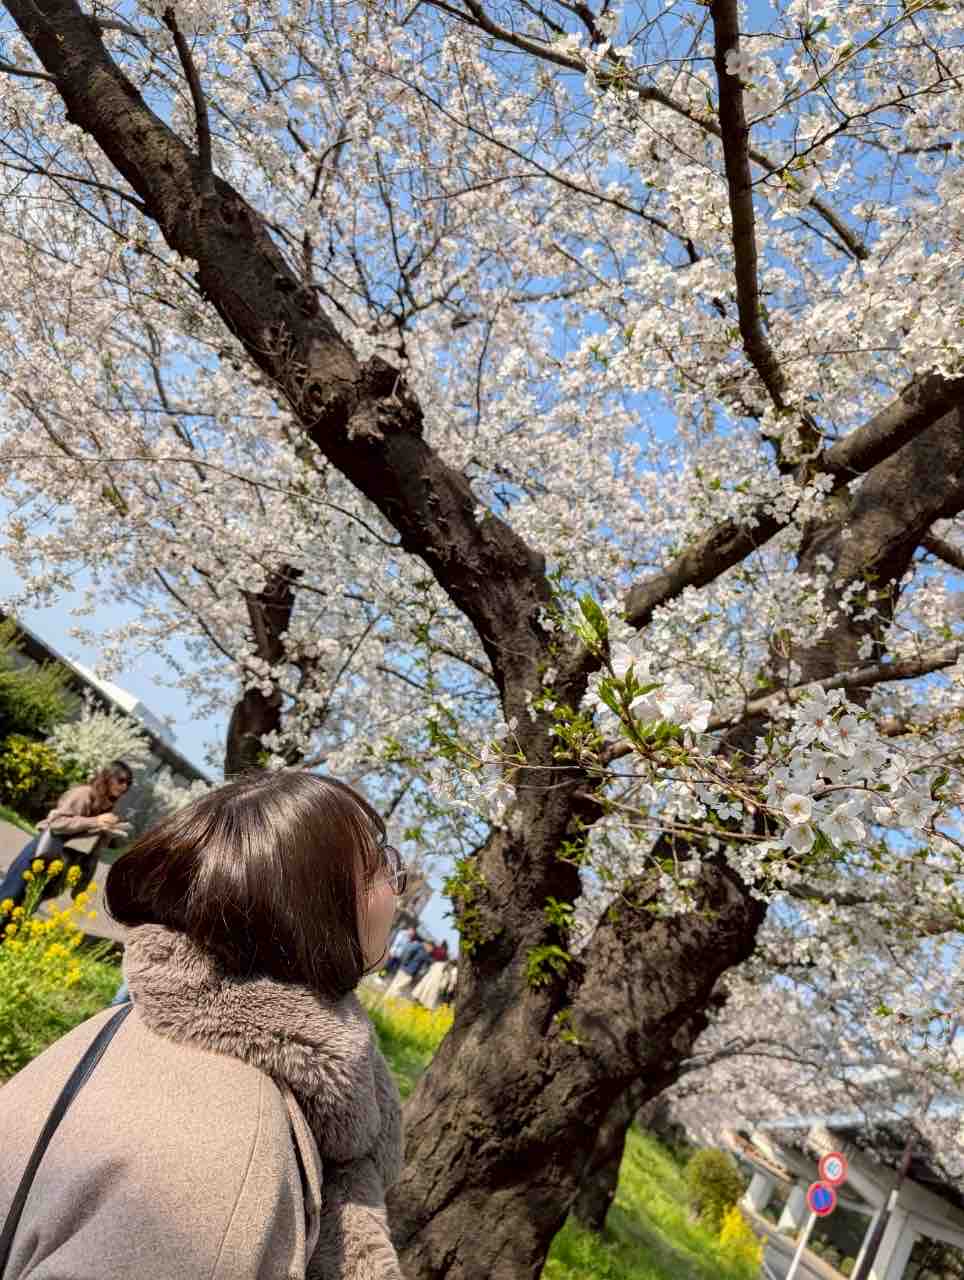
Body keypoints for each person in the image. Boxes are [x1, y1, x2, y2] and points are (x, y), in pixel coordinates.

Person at [0, 769, 408, 1280]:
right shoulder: (233, 1151)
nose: (398, 886)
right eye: (382, 867)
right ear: (314, 904)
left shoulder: (129, 1025)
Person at [0, 759, 133, 911]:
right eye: (121, 780)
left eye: (128, 783)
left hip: (60, 867)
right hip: (43, 853)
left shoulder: (108, 807)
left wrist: (82, 885)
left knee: (26, 910)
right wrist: (95, 821)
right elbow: (56, 822)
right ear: (107, 777)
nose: (124, 786)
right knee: (8, 900)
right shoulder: (84, 794)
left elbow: (94, 851)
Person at [385, 935, 431, 1000]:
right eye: (430, 948)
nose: (430, 950)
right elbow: (408, 952)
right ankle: (390, 999)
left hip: (406, 969)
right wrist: (405, 962)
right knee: (399, 986)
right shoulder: (419, 947)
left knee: (395, 984)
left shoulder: (419, 947)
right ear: (428, 945)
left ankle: (387, 997)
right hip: (408, 970)